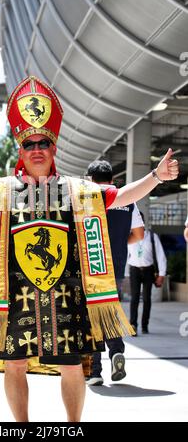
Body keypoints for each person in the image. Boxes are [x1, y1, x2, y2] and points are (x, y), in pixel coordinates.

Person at [0, 76, 179, 422]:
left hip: (65, 296)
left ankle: (73, 427)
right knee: (14, 364)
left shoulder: (77, 190)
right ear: (20, 149)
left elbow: (121, 196)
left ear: (53, 148)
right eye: (29, 143)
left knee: (72, 365)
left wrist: (155, 175)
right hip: (15, 297)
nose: (36, 148)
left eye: (43, 142)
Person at [86, 160, 144, 386]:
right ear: (112, 179)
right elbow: (139, 235)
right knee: (108, 311)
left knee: (90, 316)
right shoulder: (126, 198)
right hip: (116, 267)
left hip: (89, 266)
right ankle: (116, 352)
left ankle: (94, 371)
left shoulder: (85, 198)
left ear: (91, 179)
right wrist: (119, 242)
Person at [128, 211, 167, 335]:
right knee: (134, 298)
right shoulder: (129, 236)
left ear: (142, 222)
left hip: (148, 270)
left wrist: (161, 274)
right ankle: (133, 325)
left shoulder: (152, 236)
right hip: (134, 269)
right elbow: (125, 255)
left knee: (146, 298)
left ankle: (145, 325)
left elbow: (161, 255)